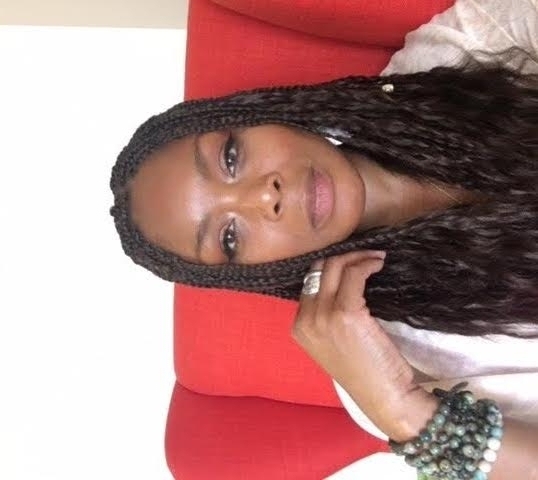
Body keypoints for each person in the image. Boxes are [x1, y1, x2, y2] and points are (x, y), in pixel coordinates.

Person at [110, 0, 538, 478]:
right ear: (252, 272)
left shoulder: (450, 55)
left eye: (231, 158)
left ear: (255, 115)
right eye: (229, 237)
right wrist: (407, 413)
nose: (263, 196)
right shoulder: (387, 359)